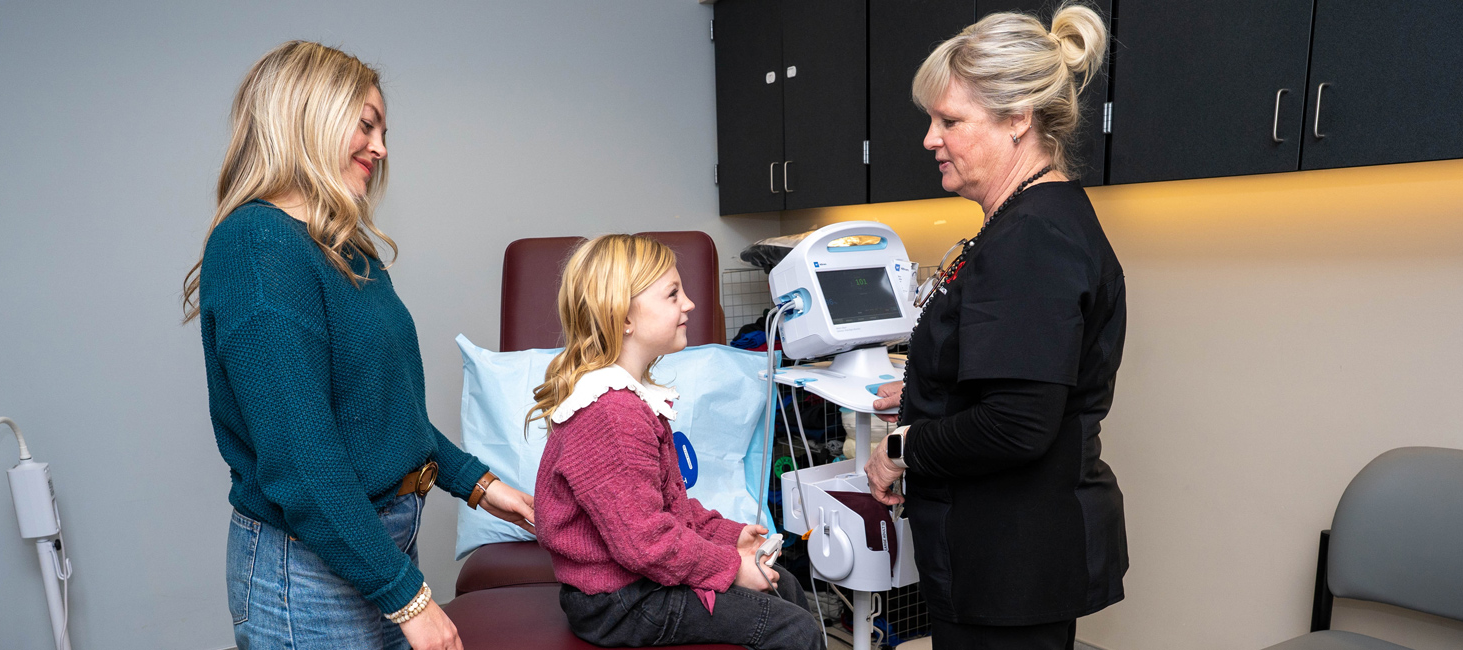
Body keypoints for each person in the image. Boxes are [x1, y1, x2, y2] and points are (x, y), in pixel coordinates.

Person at [182, 41, 536, 650]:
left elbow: (382, 412)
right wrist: (407, 596)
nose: (381, 147)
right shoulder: (257, 248)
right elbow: (302, 463)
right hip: (310, 569)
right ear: (307, 117)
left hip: (373, 546)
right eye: (366, 125)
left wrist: (481, 486)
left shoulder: (342, 245)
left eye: (383, 129)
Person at [861, 5, 1128, 649]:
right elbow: (1017, 378)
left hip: (1012, 560)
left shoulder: (1032, 240)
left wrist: (901, 450)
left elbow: (1016, 425)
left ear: (1017, 120)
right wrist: (933, 391)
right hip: (1007, 552)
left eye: (949, 121)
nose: (930, 138)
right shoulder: (1031, 221)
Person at [527, 235, 826, 650]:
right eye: (672, 294)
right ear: (623, 317)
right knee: (793, 629)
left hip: (629, 587)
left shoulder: (628, 399)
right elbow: (645, 543)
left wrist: (729, 535)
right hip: (620, 604)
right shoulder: (612, 414)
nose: (689, 304)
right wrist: (730, 567)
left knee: (785, 584)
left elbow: (669, 508)